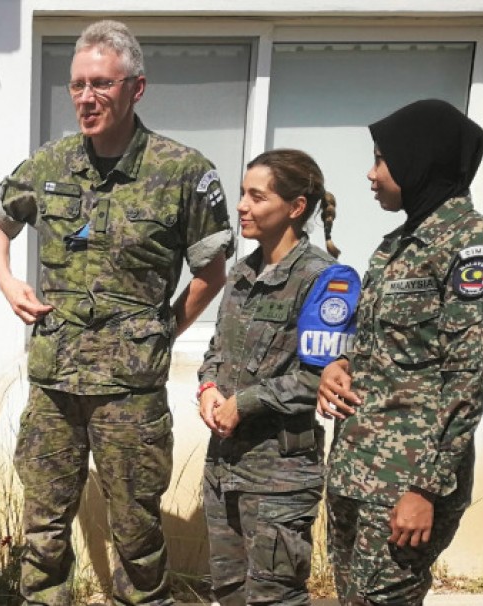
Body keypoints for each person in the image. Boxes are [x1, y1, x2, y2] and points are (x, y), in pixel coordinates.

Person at [0, 19, 234, 606]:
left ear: (135, 88)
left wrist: (164, 329)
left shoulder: (183, 172)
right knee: (43, 529)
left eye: (101, 84)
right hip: (54, 383)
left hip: (130, 391)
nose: (86, 98)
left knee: (137, 533)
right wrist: (7, 280)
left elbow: (212, 270)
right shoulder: (50, 164)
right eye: (77, 85)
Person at [317, 99, 483, 605]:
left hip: (405, 483)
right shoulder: (397, 244)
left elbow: (467, 377)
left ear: (419, 159)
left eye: (381, 158)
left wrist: (425, 489)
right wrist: (340, 367)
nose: (370, 173)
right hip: (357, 468)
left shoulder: (473, 248)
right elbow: (387, 347)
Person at [197, 149, 356, 605]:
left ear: (295, 207)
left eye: (256, 196)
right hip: (224, 465)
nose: (242, 205)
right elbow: (217, 352)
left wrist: (245, 403)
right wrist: (208, 388)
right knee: (228, 592)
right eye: (242, 194)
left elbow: (320, 379)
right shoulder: (242, 273)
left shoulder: (324, 280)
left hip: (280, 474)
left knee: (274, 597)